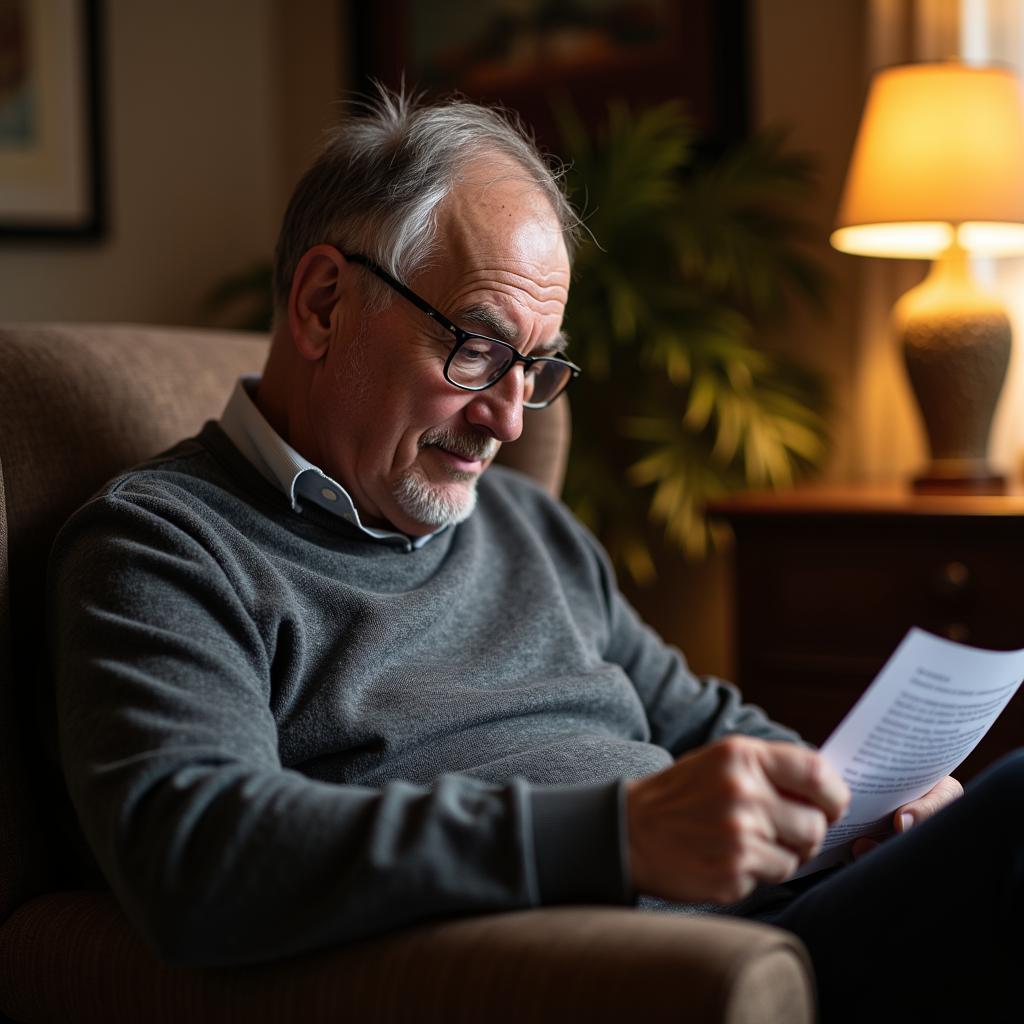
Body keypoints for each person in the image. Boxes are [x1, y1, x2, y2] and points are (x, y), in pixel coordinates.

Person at [48, 90, 1019, 1021]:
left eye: (536, 366)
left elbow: (706, 723)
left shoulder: (526, 527)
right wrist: (617, 836)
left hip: (777, 920)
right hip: (626, 969)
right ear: (322, 304)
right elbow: (199, 853)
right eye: (475, 348)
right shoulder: (164, 546)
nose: (508, 419)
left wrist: (854, 803)